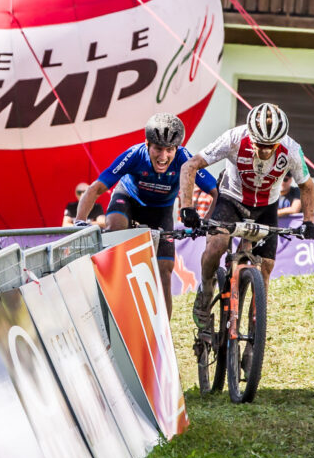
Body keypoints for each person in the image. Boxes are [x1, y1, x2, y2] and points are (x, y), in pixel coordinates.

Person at [179, 103, 314, 329]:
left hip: (266, 207)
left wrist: (308, 221)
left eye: (270, 146)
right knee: (217, 245)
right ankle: (205, 291)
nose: (264, 151)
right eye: (259, 145)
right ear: (250, 134)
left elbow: (307, 186)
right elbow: (190, 166)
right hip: (231, 199)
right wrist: (188, 206)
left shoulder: (291, 149)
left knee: (266, 267)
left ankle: (255, 331)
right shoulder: (234, 138)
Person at [74, 113, 218, 319]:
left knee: (165, 270)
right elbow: (96, 188)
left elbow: (215, 192)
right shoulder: (134, 154)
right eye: (158, 148)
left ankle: (164, 336)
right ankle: (112, 291)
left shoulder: (184, 158)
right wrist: (80, 221)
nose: (163, 156)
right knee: (115, 226)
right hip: (129, 200)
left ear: (176, 149)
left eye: (169, 150)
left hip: (161, 212)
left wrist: (207, 221)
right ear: (147, 143)